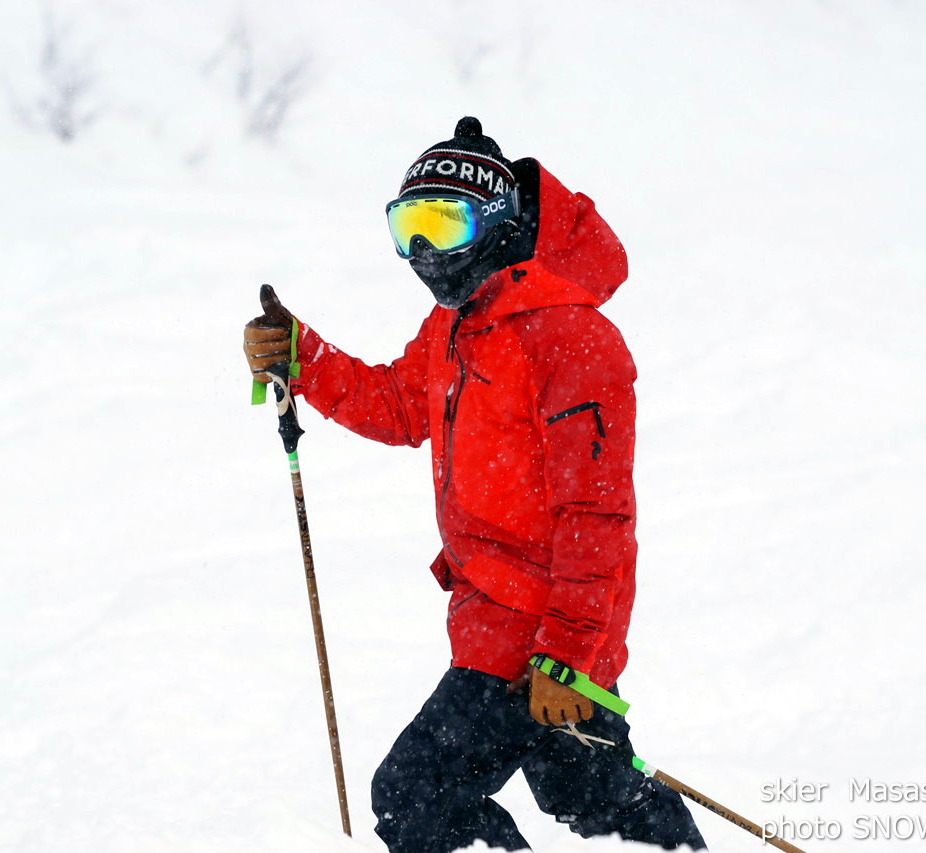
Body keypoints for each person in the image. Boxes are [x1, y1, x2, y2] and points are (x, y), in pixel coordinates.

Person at [244, 117, 706, 852]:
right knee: (587, 792)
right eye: (408, 226)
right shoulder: (457, 324)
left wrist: (565, 654)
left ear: (495, 221)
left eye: (443, 223)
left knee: (413, 795)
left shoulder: (571, 338)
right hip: (492, 614)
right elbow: (397, 405)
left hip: (543, 633)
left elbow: (597, 514)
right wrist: (302, 355)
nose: (423, 251)